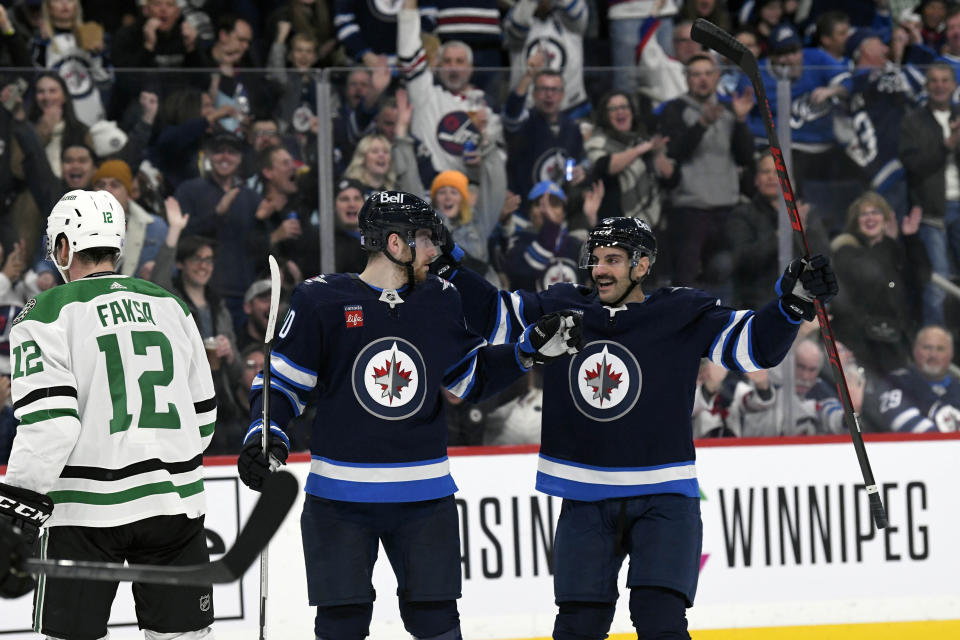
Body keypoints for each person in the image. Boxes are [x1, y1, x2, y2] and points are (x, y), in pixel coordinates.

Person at [433, 215, 838, 639]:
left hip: (664, 500)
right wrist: (447, 267)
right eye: (596, 259)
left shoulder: (681, 311)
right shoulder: (563, 307)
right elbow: (492, 313)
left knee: (660, 622)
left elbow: (755, 348)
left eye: (614, 259)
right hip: (585, 499)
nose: (599, 269)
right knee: (577, 628)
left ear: (642, 265)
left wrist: (791, 305)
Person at [236, 190, 581, 640]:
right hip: (339, 501)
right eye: (425, 238)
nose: (436, 250)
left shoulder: (440, 298)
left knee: (436, 624)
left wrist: (524, 354)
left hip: (425, 498)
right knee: (342, 626)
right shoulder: (322, 301)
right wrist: (265, 434)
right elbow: (281, 384)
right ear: (394, 244)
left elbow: (469, 379)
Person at [0, 190, 217, 636]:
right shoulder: (171, 305)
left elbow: (51, 425)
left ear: (62, 247)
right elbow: (204, 415)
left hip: (85, 515)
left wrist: (14, 509)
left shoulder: (44, 313)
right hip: (173, 505)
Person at [829, 192, 929, 377]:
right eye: (864, 214)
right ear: (855, 221)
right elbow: (872, 276)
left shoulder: (893, 252)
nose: (870, 218)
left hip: (898, 343)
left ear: (885, 219)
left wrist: (911, 239)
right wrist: (888, 243)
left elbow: (922, 278)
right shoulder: (845, 252)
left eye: (875, 212)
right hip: (865, 346)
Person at [873, 326, 960, 433]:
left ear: (951, 354)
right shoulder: (896, 382)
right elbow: (906, 425)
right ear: (915, 351)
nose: (933, 355)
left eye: (940, 349)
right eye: (927, 348)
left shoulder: (957, 386)